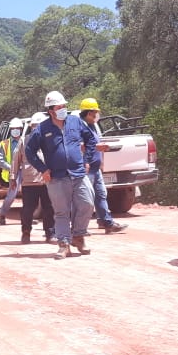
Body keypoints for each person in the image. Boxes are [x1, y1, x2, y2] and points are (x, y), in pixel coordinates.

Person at [25, 90, 102, 260]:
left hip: (79, 173)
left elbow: (90, 139)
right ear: (50, 110)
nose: (62, 110)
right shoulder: (43, 129)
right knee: (61, 212)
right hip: (56, 177)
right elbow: (29, 151)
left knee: (87, 204)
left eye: (64, 106)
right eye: (59, 107)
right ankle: (64, 244)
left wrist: (87, 159)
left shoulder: (75, 121)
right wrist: (42, 169)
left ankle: (78, 236)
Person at [77, 98, 128, 234]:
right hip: (86, 169)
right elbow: (80, 146)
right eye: (94, 113)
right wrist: (95, 148)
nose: (97, 115)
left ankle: (107, 222)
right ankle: (79, 228)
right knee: (84, 199)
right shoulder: (80, 127)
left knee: (100, 195)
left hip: (96, 168)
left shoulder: (93, 126)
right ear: (88, 113)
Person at [16, 112, 56, 244]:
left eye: (39, 125)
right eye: (34, 126)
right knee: (28, 208)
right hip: (29, 181)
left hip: (47, 180)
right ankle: (26, 233)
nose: (36, 128)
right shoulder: (24, 140)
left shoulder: (50, 140)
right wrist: (12, 178)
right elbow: (16, 160)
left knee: (49, 207)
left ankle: (50, 233)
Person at [0, 118, 23, 225]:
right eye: (13, 128)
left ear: (21, 129)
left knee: (29, 195)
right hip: (13, 174)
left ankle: (27, 217)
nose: (15, 130)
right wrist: (12, 169)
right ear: (10, 130)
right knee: (12, 195)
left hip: (25, 172)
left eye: (17, 128)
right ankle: (2, 214)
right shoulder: (4, 144)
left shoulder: (25, 141)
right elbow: (1, 161)